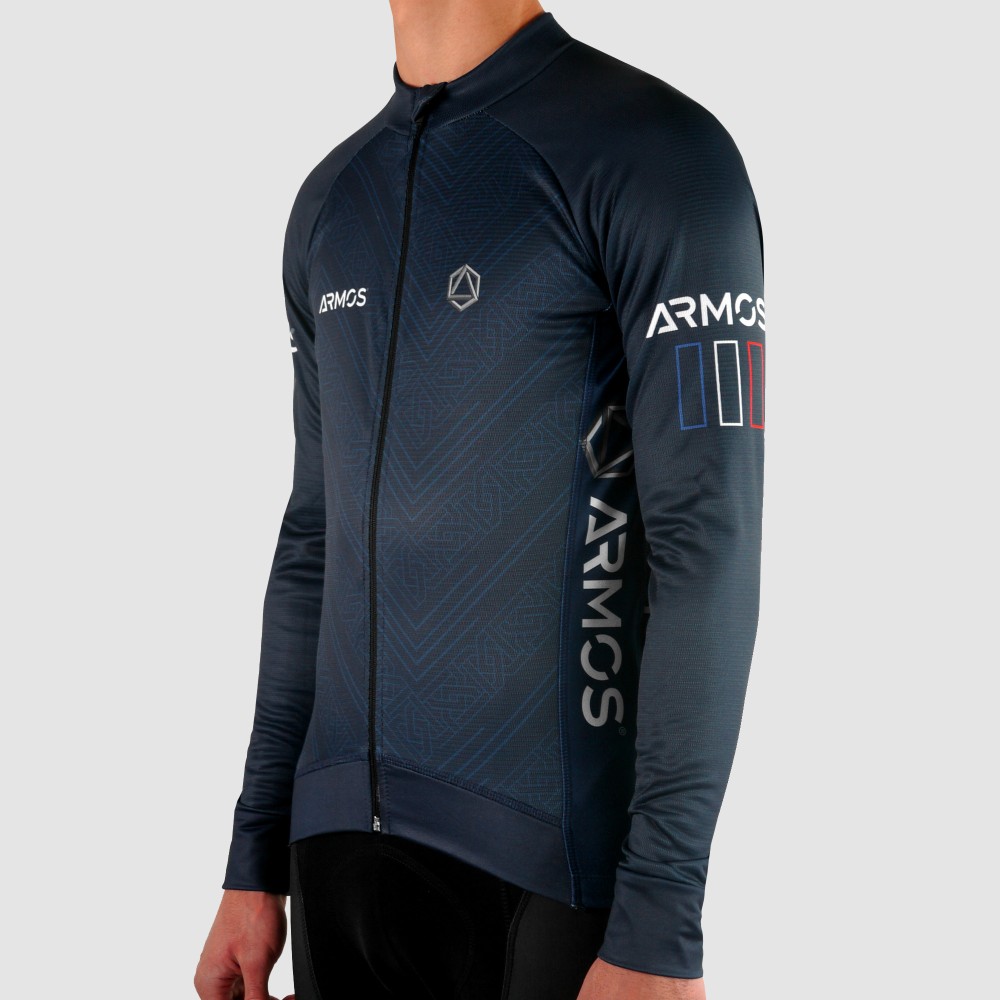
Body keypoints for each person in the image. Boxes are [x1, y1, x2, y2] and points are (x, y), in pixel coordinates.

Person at [194, 2, 766, 998]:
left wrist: (660, 922)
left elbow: (705, 542)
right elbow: (315, 539)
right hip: (333, 864)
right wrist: (253, 861)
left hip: (547, 875)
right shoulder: (332, 198)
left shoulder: (658, 154)